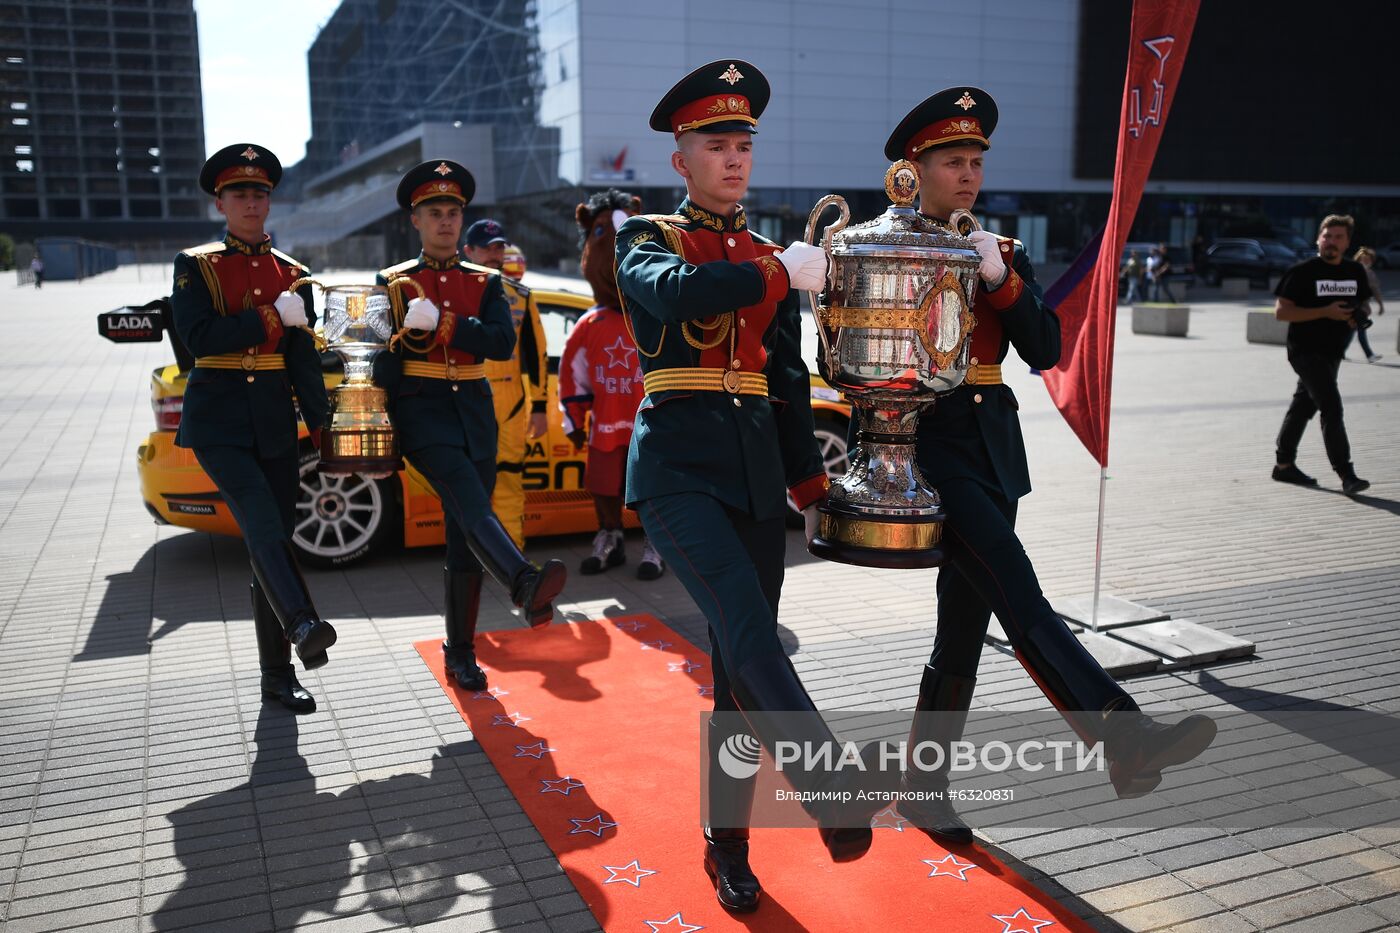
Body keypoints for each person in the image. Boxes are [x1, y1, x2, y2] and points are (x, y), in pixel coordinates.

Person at [881, 88, 1217, 844]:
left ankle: (921, 787)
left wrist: (1000, 276)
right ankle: (1120, 735)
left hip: (994, 453)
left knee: (963, 627)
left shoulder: (1001, 248)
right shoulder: (886, 241)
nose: (967, 175)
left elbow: (1046, 349)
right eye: (951, 161)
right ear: (915, 167)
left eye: (974, 162)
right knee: (1019, 589)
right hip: (928, 447)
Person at [616, 60, 901, 914]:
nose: (734, 158)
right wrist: (781, 272)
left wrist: (810, 485)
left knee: (739, 676)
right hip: (674, 471)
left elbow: (781, 380)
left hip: (750, 480)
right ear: (681, 159)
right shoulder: (648, 235)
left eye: (744, 143)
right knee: (748, 628)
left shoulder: (772, 254)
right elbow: (672, 296)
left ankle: (726, 843)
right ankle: (829, 787)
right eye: (716, 144)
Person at [376, 161, 567, 691]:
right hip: (422, 409)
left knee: (465, 534)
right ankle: (522, 580)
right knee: (471, 502)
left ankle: (460, 652)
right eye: (434, 212)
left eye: (453, 212)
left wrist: (444, 324)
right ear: (415, 220)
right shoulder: (391, 283)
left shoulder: (485, 281)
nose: (445, 221)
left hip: (476, 411)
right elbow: (377, 362)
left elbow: (499, 342)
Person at [169, 143, 335, 714]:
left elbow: (302, 363)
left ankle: (278, 675)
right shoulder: (195, 265)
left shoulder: (295, 273)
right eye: (239, 192)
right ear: (220, 201)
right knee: (263, 525)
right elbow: (199, 338)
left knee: (273, 544)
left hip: (271, 420)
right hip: (217, 420)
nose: (250, 201)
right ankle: (304, 621)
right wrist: (267, 316)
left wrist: (324, 428)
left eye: (259, 192)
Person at [559, 188, 664, 580]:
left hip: (651, 425)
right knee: (603, 486)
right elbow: (573, 373)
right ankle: (610, 538)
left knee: (652, 486)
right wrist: (573, 417)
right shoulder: (590, 325)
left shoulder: (656, 315)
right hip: (604, 424)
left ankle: (655, 544)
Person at [462, 219, 549, 550]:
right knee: (467, 482)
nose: (494, 255)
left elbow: (536, 353)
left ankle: (512, 558)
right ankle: (470, 554)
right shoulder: (451, 290)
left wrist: (539, 407)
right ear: (468, 251)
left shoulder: (521, 296)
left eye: (498, 248)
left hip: (510, 404)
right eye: (486, 249)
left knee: (510, 480)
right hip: (465, 397)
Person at [1271, 214, 1372, 496]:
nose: (1331, 242)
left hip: (1333, 351)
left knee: (1304, 405)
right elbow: (1281, 312)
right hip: (1304, 350)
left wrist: (1359, 315)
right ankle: (1346, 473)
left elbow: (1362, 304)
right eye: (1327, 236)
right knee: (1331, 406)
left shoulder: (1355, 272)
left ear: (1348, 242)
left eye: (1338, 237)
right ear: (1318, 238)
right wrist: (1324, 312)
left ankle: (1283, 464)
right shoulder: (1302, 272)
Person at [1353, 246, 1384, 363]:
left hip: (1358, 306)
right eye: (1363, 260)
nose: (1366, 262)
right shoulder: (1360, 272)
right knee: (1360, 330)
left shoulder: (1366, 273)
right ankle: (1369, 355)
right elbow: (1375, 291)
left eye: (1368, 260)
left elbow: (1375, 290)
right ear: (1358, 260)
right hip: (1358, 307)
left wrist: (1380, 305)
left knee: (1350, 331)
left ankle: (1340, 352)